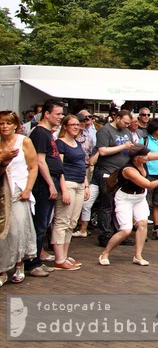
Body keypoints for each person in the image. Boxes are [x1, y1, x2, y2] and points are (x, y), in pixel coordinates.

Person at [98, 144, 158, 266]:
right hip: (125, 198)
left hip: (139, 197)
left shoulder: (142, 159)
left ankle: (138, 255)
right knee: (126, 230)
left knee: (142, 224)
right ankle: (105, 253)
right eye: (144, 155)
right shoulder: (129, 170)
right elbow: (149, 185)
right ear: (136, 158)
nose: (147, 157)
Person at [25, 99, 65, 277]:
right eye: (57, 114)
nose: (60, 117)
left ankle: (37, 259)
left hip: (52, 180)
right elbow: (40, 161)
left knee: (44, 222)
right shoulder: (40, 133)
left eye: (61, 114)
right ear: (47, 114)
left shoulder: (48, 133)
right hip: (43, 184)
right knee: (39, 223)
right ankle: (32, 263)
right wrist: (50, 184)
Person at [0, 111, 38, 284]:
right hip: (2, 191)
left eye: (8, 123)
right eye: (1, 123)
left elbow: (33, 167)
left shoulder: (24, 141)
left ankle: (19, 263)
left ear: (15, 125)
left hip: (19, 189)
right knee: (3, 232)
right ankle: (2, 269)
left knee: (16, 230)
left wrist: (28, 189)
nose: (5, 127)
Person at [93, 110, 140, 247]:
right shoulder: (105, 131)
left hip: (122, 172)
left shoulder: (126, 132)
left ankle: (121, 232)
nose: (126, 125)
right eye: (125, 122)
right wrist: (122, 146)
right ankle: (105, 235)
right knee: (106, 204)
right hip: (107, 171)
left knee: (120, 204)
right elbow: (102, 151)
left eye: (128, 123)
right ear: (117, 118)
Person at [50, 114, 90, 270]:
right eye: (72, 124)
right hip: (67, 183)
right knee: (62, 220)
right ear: (65, 126)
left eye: (78, 124)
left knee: (72, 222)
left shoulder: (77, 143)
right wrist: (64, 189)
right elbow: (59, 168)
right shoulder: (60, 143)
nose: (76, 127)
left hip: (80, 183)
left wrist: (86, 185)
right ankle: (59, 258)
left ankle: (64, 256)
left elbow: (82, 164)